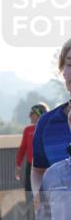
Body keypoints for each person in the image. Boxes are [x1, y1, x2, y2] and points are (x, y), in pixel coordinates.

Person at [32, 39, 71, 199]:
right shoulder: (47, 122)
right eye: (69, 64)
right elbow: (38, 170)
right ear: (62, 70)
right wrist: (39, 198)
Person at [18, 103, 49, 193]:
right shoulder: (28, 130)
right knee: (29, 189)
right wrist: (18, 165)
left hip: (46, 165)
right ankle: (31, 207)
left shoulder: (49, 128)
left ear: (39, 114)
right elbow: (23, 148)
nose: (29, 116)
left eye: (32, 114)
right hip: (30, 164)